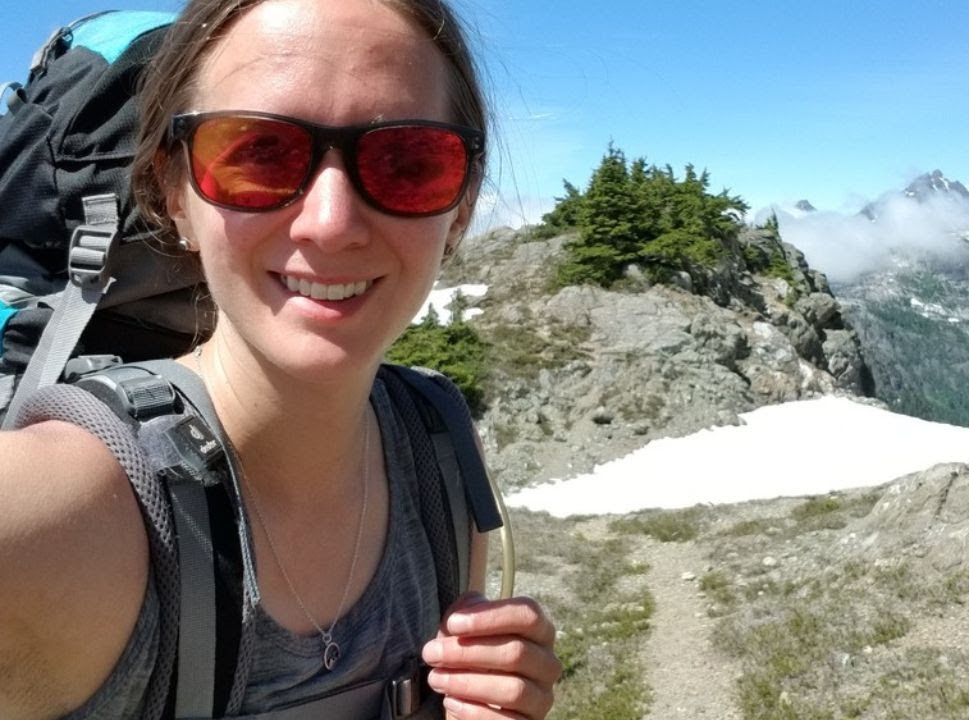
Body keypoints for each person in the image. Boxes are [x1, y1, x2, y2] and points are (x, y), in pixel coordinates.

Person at [0, 0, 560, 718]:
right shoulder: (73, 503)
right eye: (258, 152)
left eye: (408, 161)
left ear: (460, 207)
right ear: (173, 194)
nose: (331, 224)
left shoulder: (439, 449)